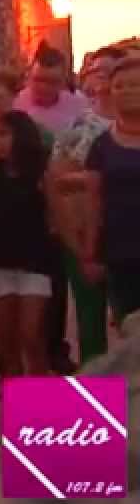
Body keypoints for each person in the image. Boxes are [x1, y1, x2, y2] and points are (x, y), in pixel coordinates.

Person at [47, 47, 126, 365]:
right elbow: (56, 184)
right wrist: (77, 245)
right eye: (97, 71)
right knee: (91, 328)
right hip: (86, 238)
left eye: (111, 71)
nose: (103, 77)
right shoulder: (77, 128)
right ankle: (98, 408)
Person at [16, 45, 91, 375]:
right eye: (37, 80)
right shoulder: (19, 104)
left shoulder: (79, 108)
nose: (43, 88)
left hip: (65, 201)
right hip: (26, 203)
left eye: (51, 81)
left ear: (63, 81)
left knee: (58, 279)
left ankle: (58, 349)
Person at [0, 111, 57, 380]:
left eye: (4, 134)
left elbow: (56, 214)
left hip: (35, 259)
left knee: (31, 334)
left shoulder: (41, 170)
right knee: (6, 337)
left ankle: (41, 394)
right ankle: (16, 397)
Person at [84, 57, 140, 324]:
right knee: (129, 337)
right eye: (120, 86)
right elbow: (93, 204)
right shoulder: (100, 146)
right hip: (121, 257)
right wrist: (90, 254)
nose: (128, 91)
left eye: (135, 85)